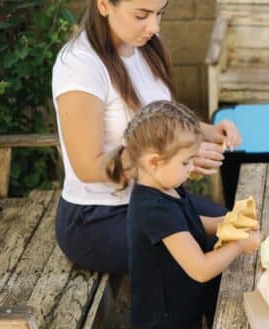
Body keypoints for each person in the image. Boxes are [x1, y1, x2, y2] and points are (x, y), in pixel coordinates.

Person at [52, 0, 239, 274]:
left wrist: (209, 131)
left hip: (153, 198)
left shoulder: (144, 45)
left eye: (160, 13)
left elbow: (160, 125)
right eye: (142, 15)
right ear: (104, 4)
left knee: (233, 225)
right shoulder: (80, 66)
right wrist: (172, 159)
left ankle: (208, 316)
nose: (154, 26)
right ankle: (190, 317)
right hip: (97, 218)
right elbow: (87, 167)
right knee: (214, 243)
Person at [103, 100, 260, 328]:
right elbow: (201, 269)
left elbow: (188, 222)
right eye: (186, 162)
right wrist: (238, 246)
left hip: (184, 304)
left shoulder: (166, 185)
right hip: (166, 321)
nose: (191, 168)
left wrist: (228, 222)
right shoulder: (153, 209)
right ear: (155, 162)